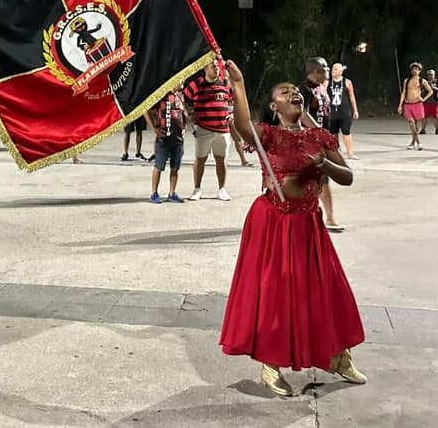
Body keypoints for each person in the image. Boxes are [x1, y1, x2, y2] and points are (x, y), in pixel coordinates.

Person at [220, 60, 366, 396]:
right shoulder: (269, 136)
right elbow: (242, 127)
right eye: (285, 92)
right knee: (276, 294)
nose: (294, 93)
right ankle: (271, 366)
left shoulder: (319, 136)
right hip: (274, 222)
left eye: (296, 91)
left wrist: (324, 163)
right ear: (275, 106)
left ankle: (337, 356)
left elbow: (347, 177)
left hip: (308, 224)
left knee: (327, 292)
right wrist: (239, 85)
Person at [299, 56, 343, 231]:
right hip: (309, 142)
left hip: (321, 141)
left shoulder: (321, 89)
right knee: (315, 180)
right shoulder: (304, 90)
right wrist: (318, 131)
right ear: (316, 71)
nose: (328, 70)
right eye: (325, 68)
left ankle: (330, 217)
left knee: (323, 179)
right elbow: (301, 113)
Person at [183, 60, 233, 201]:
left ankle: (222, 189)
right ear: (205, 68)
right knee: (200, 159)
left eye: (217, 67)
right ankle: (197, 189)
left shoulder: (225, 83)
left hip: (223, 128)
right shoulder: (196, 84)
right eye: (213, 67)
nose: (216, 69)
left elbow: (232, 99)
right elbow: (181, 97)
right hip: (203, 129)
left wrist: (232, 113)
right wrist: (188, 113)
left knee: (221, 159)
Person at [144, 86, 187, 203]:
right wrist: (154, 128)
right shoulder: (161, 94)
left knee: (175, 168)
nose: (183, 82)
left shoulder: (180, 96)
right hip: (164, 138)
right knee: (159, 166)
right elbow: (145, 109)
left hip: (178, 139)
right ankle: (154, 193)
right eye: (180, 79)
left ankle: (172, 193)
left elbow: (183, 113)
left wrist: (184, 127)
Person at [396, 62, 433, 150]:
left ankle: (413, 142)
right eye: (413, 69)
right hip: (408, 104)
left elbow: (430, 91)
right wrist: (400, 105)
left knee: (415, 125)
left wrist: (423, 99)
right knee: (411, 123)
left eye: (416, 69)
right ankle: (418, 142)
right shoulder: (407, 80)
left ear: (420, 71)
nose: (414, 71)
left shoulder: (422, 80)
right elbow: (403, 93)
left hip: (417, 104)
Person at [327, 63, 360, 159]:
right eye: (332, 69)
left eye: (336, 69)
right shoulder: (327, 83)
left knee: (346, 132)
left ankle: (350, 153)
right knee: (333, 133)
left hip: (345, 112)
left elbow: (351, 96)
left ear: (341, 71)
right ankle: (336, 151)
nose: (333, 71)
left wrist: (355, 110)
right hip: (332, 112)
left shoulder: (347, 82)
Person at [420, 69, 438, 135]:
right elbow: (421, 90)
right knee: (425, 116)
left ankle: (437, 129)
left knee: (435, 116)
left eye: (432, 75)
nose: (430, 76)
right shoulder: (425, 82)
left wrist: (433, 87)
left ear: (434, 75)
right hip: (426, 101)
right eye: (429, 75)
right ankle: (423, 129)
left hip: (435, 101)